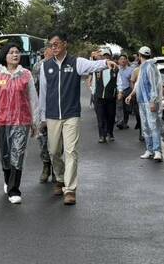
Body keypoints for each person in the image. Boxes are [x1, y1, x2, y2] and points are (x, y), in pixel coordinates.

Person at [39, 31, 117, 205]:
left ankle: (70, 189)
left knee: (71, 151)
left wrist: (105, 62)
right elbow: (43, 93)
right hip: (52, 115)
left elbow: (92, 65)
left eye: (57, 44)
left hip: (71, 114)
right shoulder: (46, 66)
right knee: (53, 151)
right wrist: (42, 117)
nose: (54, 47)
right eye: (51, 45)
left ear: (65, 44)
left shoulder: (76, 62)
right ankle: (60, 178)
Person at [0, 43, 39, 204]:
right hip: (0, 121)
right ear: (5, 56)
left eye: (17, 52)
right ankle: (8, 179)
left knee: (18, 153)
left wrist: (35, 122)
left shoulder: (26, 74)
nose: (15, 55)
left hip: (21, 120)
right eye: (11, 52)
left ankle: (14, 189)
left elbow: (33, 99)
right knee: (4, 154)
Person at [126, 46, 163, 162]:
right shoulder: (142, 67)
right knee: (145, 126)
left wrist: (152, 101)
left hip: (149, 101)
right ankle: (149, 149)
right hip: (142, 101)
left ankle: (157, 151)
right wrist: (131, 94)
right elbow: (138, 84)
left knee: (153, 126)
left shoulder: (150, 66)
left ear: (139, 55)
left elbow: (153, 85)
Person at [32, 46, 54, 182]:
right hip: (41, 107)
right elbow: (34, 88)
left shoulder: (60, 64)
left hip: (57, 108)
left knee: (58, 142)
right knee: (43, 140)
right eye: (50, 49)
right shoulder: (38, 66)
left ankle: (57, 169)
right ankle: (46, 166)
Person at [92, 47, 118, 143]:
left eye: (107, 55)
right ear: (102, 57)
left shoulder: (115, 68)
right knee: (101, 116)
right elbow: (93, 82)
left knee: (111, 116)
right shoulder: (97, 68)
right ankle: (102, 135)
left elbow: (119, 81)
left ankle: (110, 133)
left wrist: (119, 92)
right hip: (99, 96)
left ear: (110, 56)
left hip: (111, 97)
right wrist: (93, 94)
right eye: (104, 55)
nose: (106, 57)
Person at [115, 54, 133, 130]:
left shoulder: (131, 70)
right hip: (118, 90)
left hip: (127, 90)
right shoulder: (116, 69)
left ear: (127, 61)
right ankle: (120, 122)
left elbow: (132, 81)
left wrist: (132, 93)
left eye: (124, 59)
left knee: (126, 108)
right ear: (118, 61)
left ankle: (125, 122)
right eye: (121, 59)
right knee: (119, 106)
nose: (123, 60)